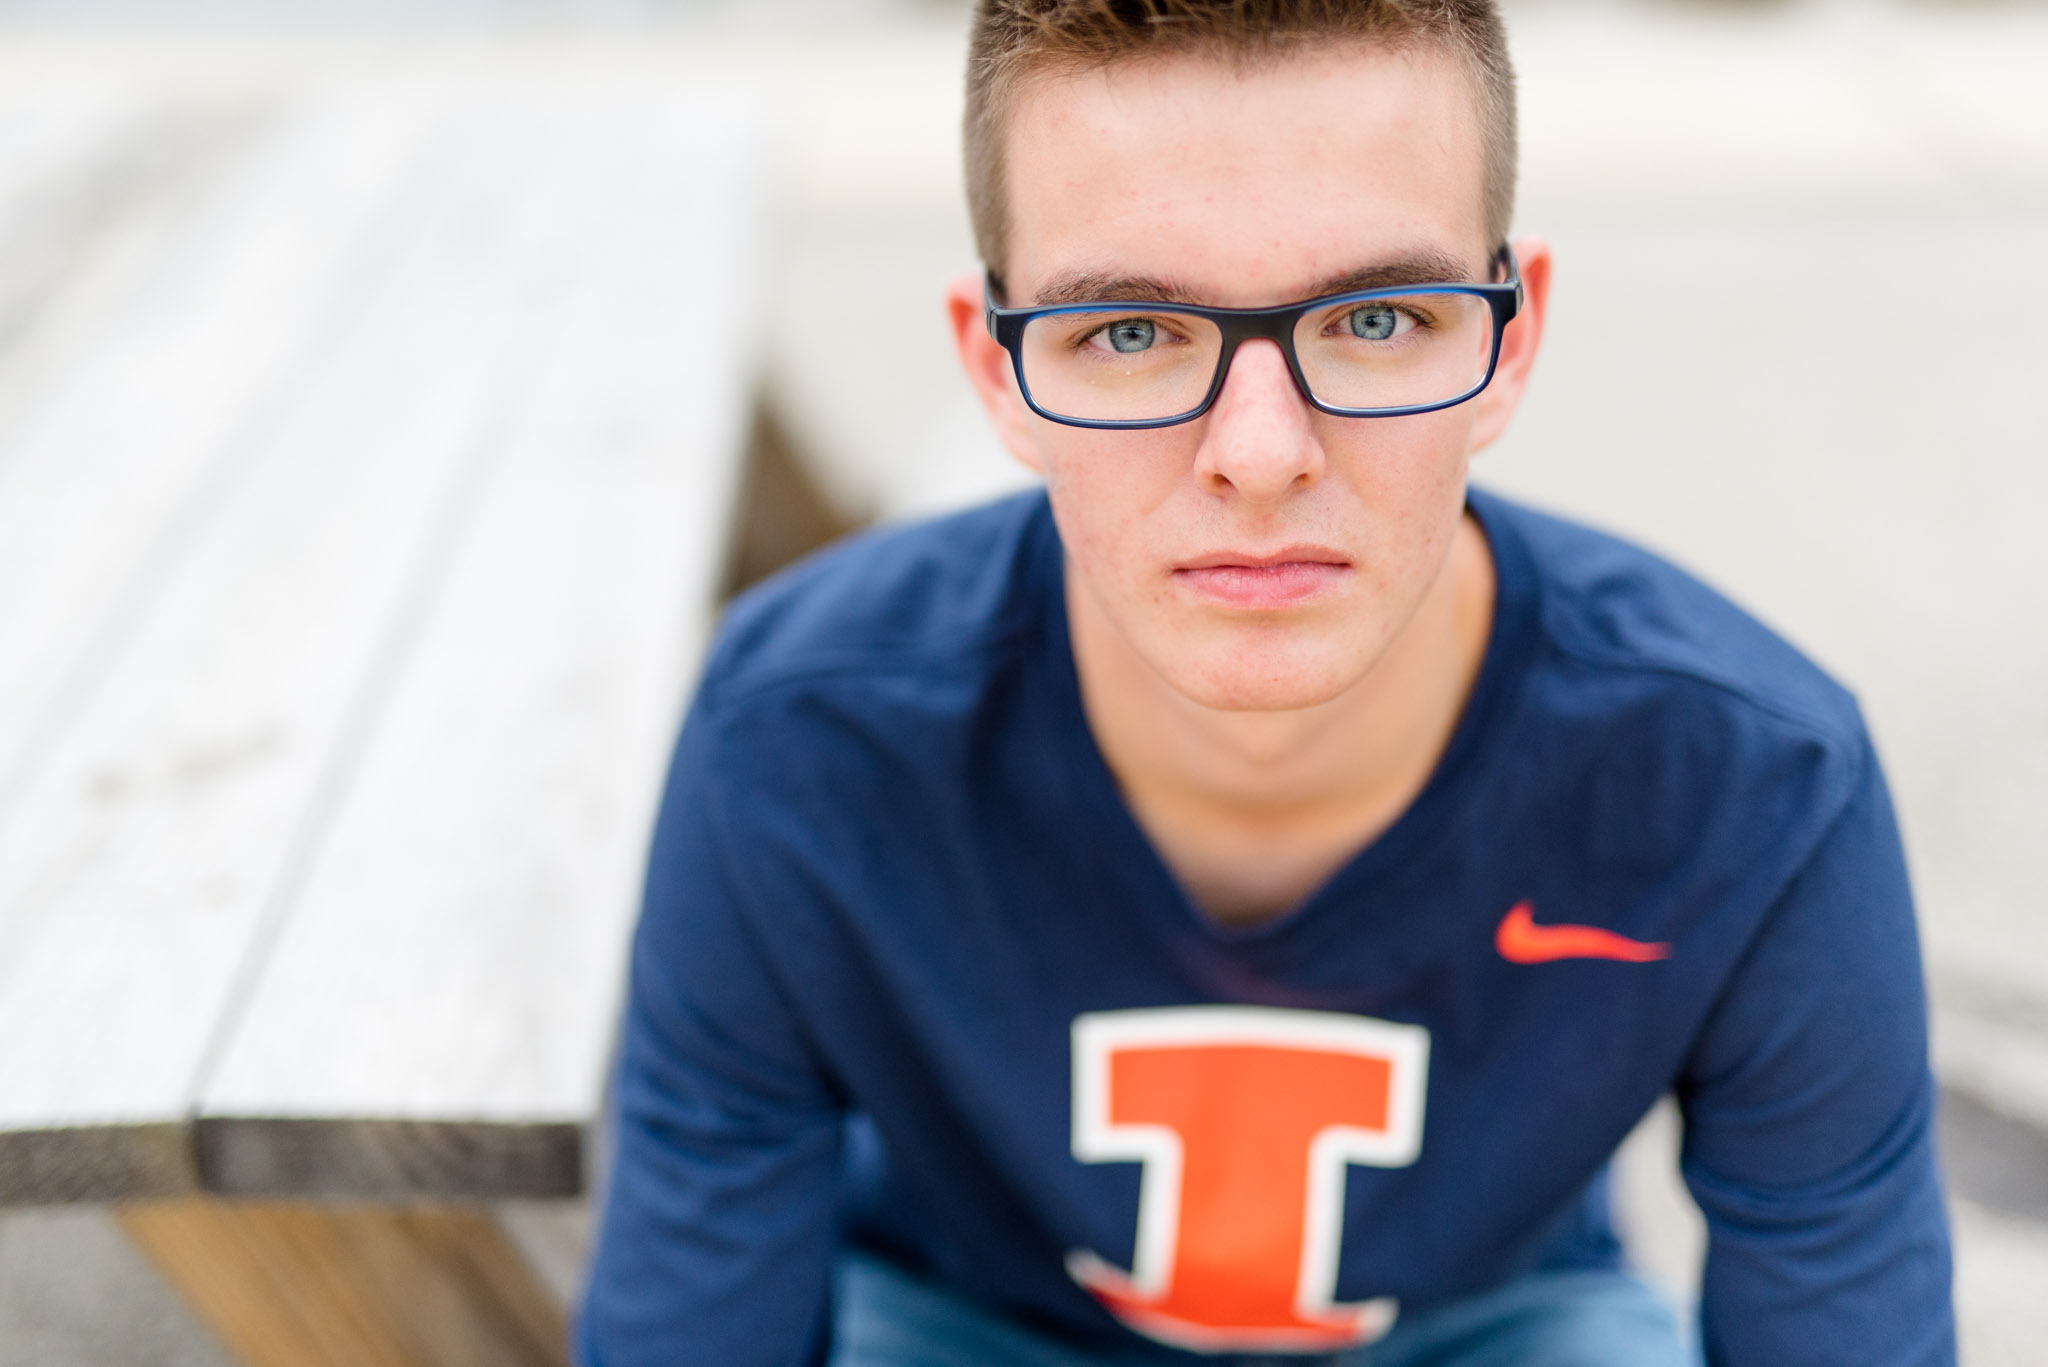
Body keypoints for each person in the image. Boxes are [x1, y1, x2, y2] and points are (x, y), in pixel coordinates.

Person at [575, 1, 1955, 1363]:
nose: (1259, 453)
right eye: (1128, 332)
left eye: (1376, 318)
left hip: (1498, 1327)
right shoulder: (799, 738)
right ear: (997, 371)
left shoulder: (1751, 781)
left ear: (1509, 339)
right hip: (964, 1319)